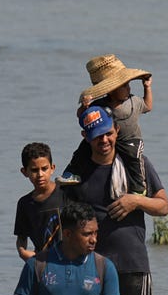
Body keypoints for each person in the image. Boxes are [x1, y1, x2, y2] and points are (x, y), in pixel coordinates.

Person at [64, 106, 168, 295]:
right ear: (85, 137)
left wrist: (136, 200)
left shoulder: (137, 165)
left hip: (132, 263)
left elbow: (164, 206)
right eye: (97, 135)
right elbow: (65, 223)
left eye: (108, 133)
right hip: (92, 264)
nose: (104, 140)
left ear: (117, 130)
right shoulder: (77, 174)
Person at [61, 55, 154, 194]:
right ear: (111, 89)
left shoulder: (133, 101)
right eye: (124, 86)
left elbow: (148, 106)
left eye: (128, 85)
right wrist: (84, 107)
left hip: (130, 139)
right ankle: (71, 172)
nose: (128, 88)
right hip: (108, 138)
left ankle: (139, 188)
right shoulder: (99, 105)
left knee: (134, 159)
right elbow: (82, 116)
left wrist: (147, 88)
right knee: (82, 149)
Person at [14, 142, 63, 261]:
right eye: (34, 170)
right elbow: (21, 237)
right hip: (43, 262)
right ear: (24, 172)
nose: (40, 174)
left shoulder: (67, 193)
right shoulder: (25, 203)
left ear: (52, 168)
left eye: (44, 169)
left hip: (70, 260)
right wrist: (22, 252)